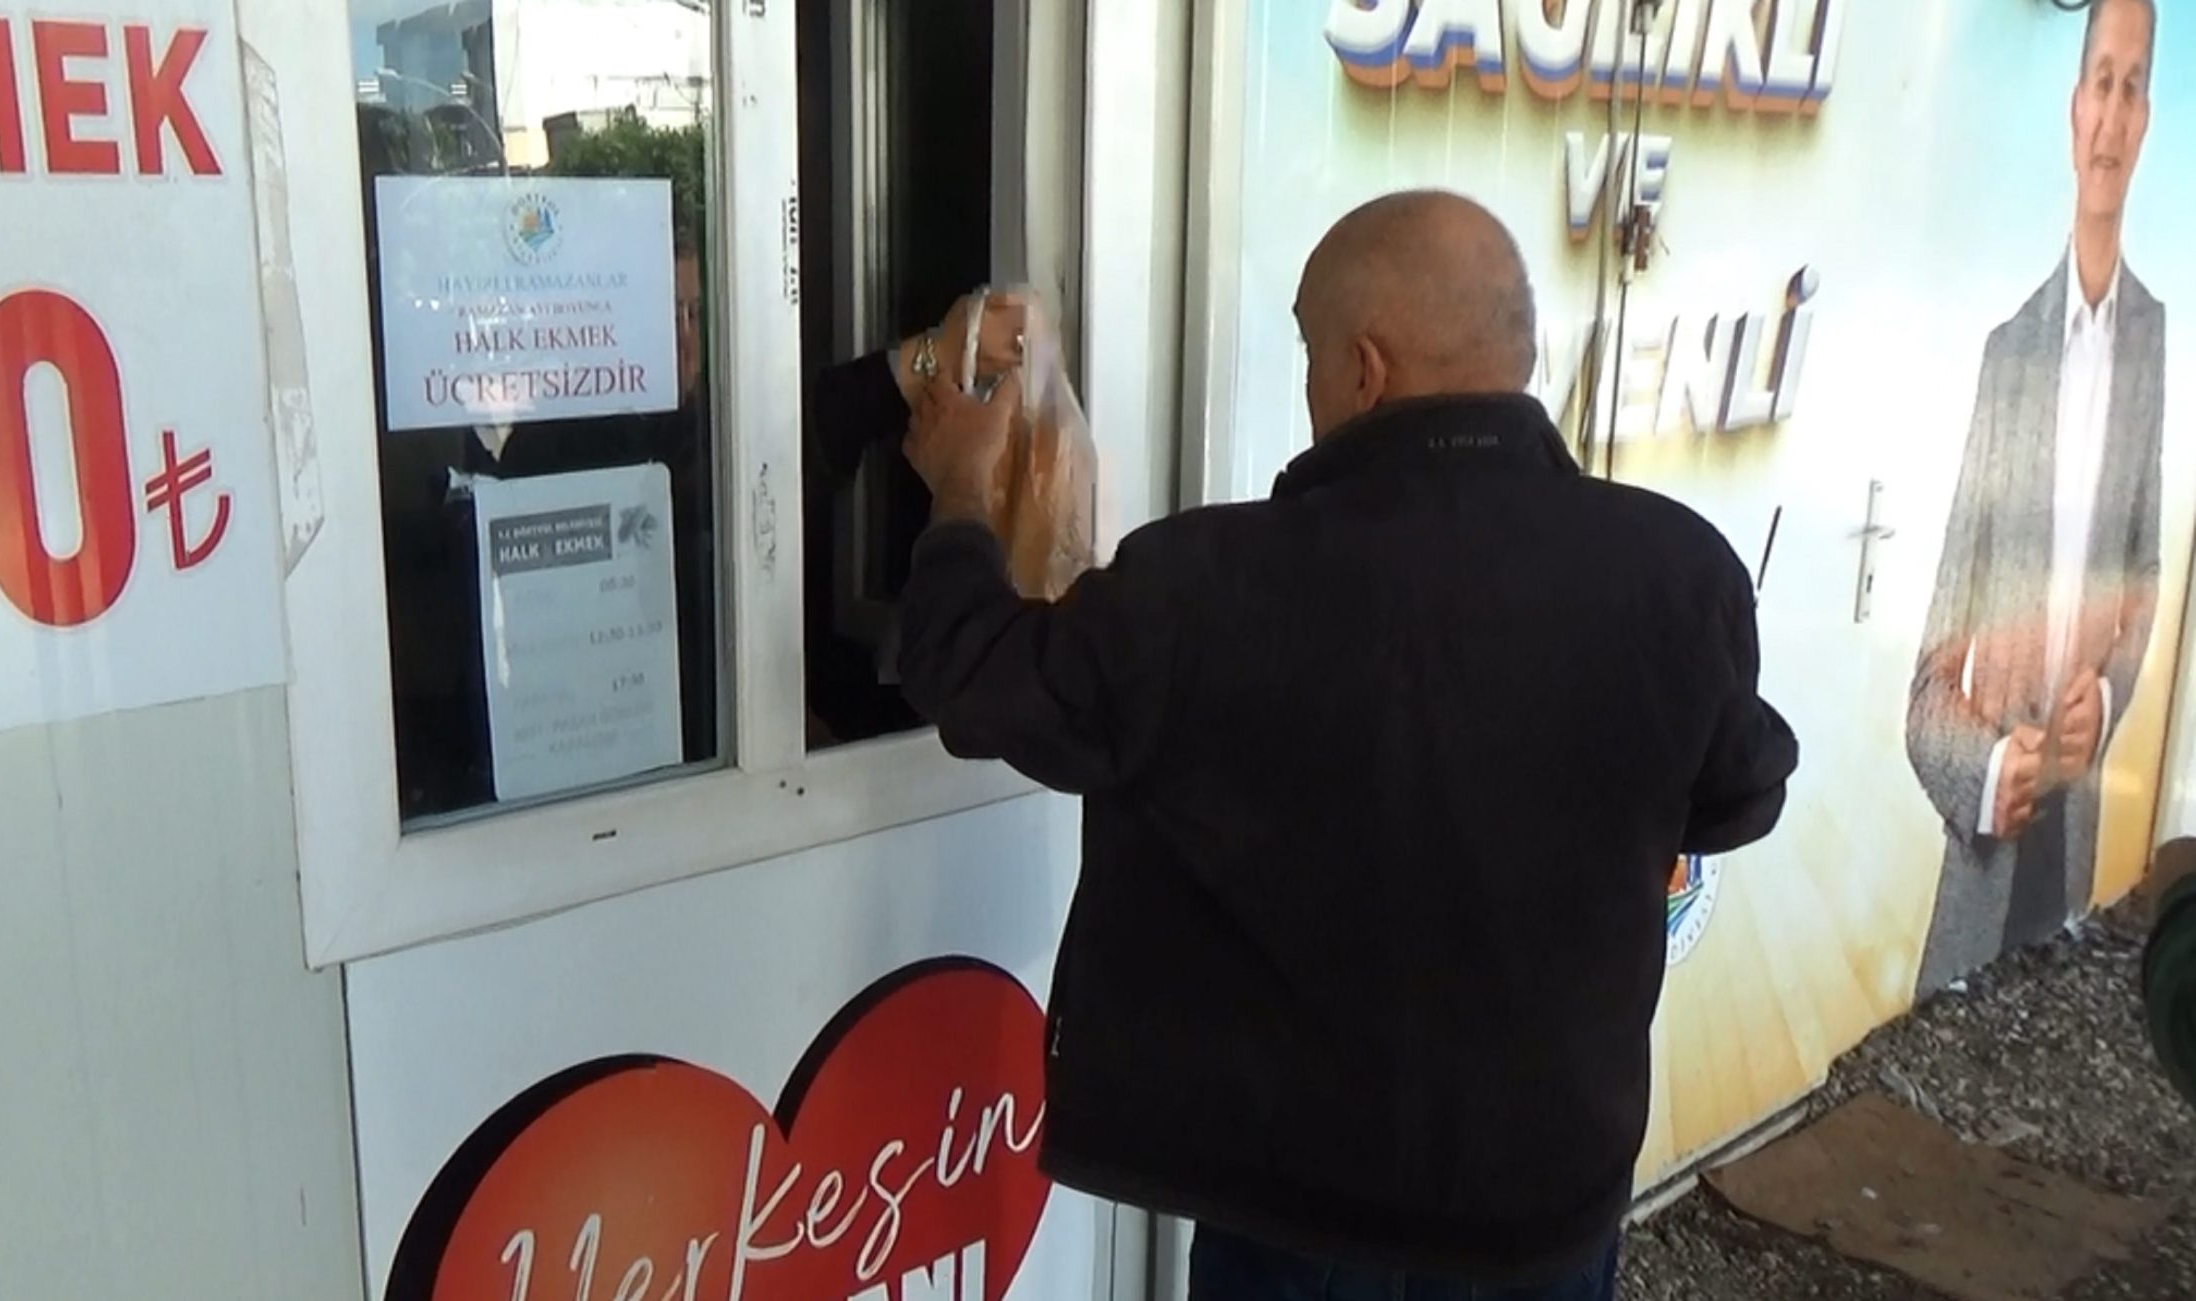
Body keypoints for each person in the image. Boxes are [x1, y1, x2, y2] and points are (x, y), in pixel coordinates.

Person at [893, 191, 1796, 1300]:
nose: (1312, 386)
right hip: (1544, 1209)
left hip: (1296, 1218)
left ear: (1364, 369)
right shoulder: (1679, 571)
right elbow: (1738, 796)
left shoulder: (1203, 585)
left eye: (1310, 354)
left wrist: (960, 488)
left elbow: (969, 675)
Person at [1906, 0, 2164, 995]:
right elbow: (1925, 693)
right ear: (2073, 111)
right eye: (2100, 83)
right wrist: (1983, 776)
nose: (2111, 116)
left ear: (2145, 118)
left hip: (2077, 859)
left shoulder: (2151, 339)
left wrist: (2107, 697)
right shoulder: (2006, 356)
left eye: (2132, 88)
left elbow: (2144, 573)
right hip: (1985, 874)